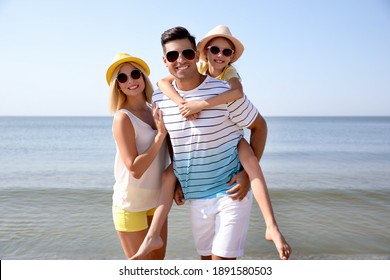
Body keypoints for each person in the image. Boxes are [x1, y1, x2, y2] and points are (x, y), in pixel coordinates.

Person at [138, 26, 291, 260]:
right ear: (164, 61)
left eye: (187, 54)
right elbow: (173, 138)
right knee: (206, 262)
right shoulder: (160, 97)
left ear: (196, 55)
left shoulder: (226, 91)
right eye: (172, 55)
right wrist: (179, 176)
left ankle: (272, 227)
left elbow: (259, 126)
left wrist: (246, 175)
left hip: (230, 193)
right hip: (196, 195)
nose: (180, 60)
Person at [106, 53, 171, 259]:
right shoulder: (122, 118)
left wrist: (177, 186)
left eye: (135, 74)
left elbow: (171, 152)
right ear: (118, 86)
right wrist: (160, 135)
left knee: (158, 265)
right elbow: (135, 169)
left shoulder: (156, 110)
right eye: (122, 78)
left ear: (143, 77)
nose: (131, 81)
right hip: (130, 206)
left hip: (157, 202)